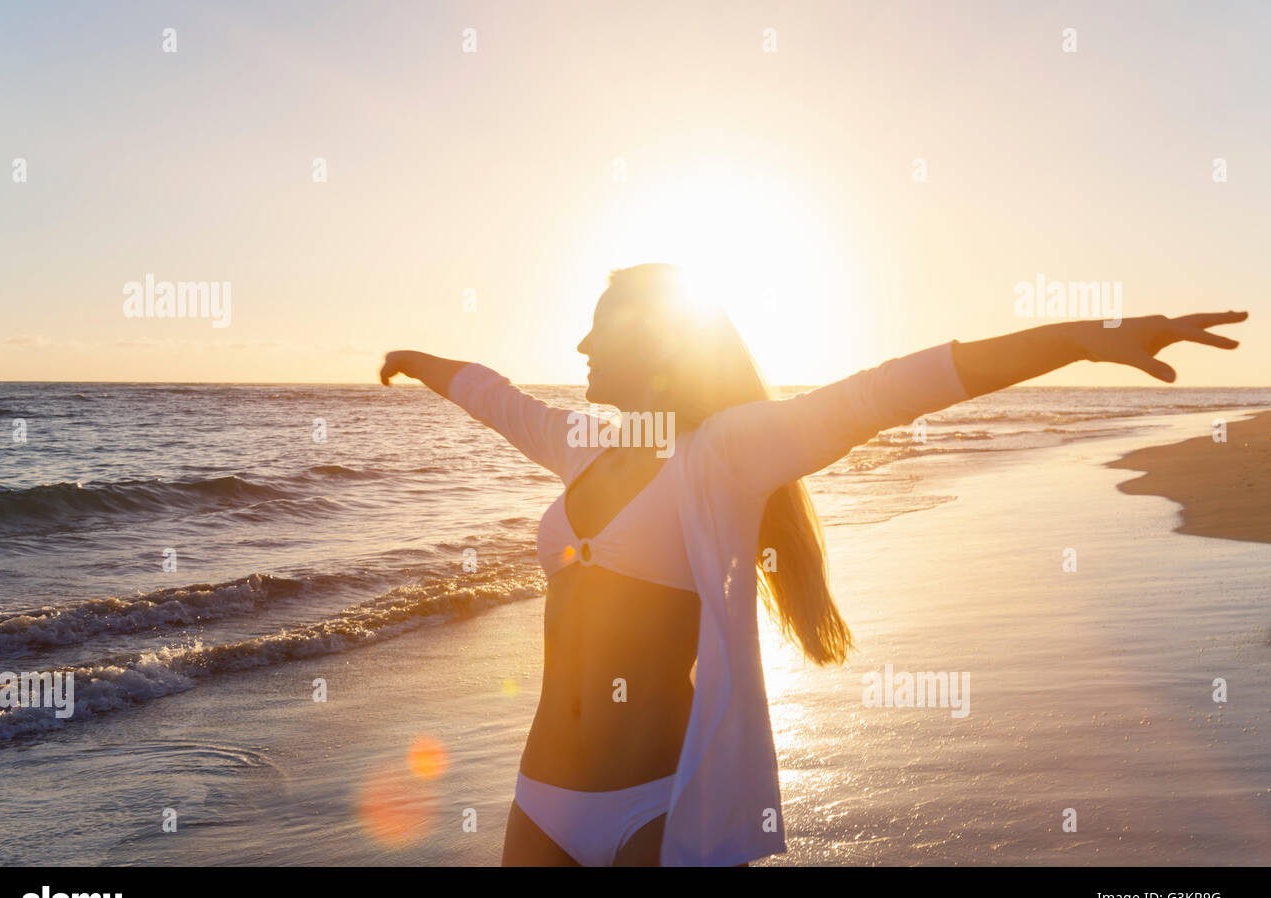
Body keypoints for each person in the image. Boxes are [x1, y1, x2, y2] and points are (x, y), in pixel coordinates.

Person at [380, 262, 1245, 866]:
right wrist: (417, 362)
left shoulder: (725, 454)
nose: (578, 348)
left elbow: (893, 388)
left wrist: (1090, 337)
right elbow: (494, 398)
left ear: (654, 340)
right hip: (542, 799)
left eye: (598, 330)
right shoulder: (589, 448)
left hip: (660, 807)